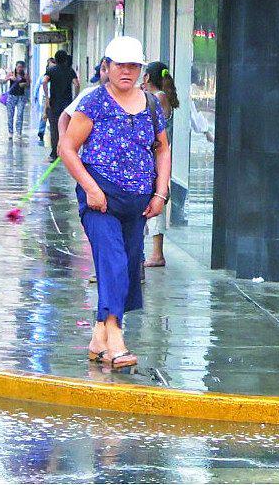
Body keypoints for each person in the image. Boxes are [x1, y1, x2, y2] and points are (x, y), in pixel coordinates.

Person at [58, 36, 171, 369]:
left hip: (138, 201)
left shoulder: (151, 104)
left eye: (133, 65)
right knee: (114, 263)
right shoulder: (93, 102)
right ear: (106, 67)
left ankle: (97, 336)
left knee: (128, 265)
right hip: (100, 199)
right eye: (120, 65)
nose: (127, 71)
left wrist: (160, 192)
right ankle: (116, 339)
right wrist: (91, 188)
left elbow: (162, 148)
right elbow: (68, 148)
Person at [142, 61, 180, 269]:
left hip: (155, 160)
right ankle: (155, 252)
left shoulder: (157, 99)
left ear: (147, 77)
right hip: (157, 158)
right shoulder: (160, 97)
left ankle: (156, 254)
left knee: (154, 202)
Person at [40, 50, 80, 161]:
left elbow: (44, 81)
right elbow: (76, 84)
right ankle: (66, 153)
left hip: (54, 103)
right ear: (65, 59)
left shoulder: (51, 70)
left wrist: (47, 97)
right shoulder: (70, 71)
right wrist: (75, 99)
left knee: (54, 129)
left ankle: (54, 154)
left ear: (56, 59)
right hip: (67, 104)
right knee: (67, 129)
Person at [5, 61, 30, 136]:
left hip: (21, 97)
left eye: (21, 67)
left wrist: (25, 84)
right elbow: (2, 81)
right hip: (11, 96)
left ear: (23, 68)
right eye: (18, 67)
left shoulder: (25, 75)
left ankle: (19, 132)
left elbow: (28, 84)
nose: (19, 68)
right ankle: (10, 132)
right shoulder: (11, 73)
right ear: (15, 66)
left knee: (20, 114)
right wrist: (9, 78)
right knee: (10, 115)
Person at [37, 57, 57, 144]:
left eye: (53, 66)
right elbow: (38, 85)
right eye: (50, 66)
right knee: (44, 115)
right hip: (46, 97)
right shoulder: (44, 76)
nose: (52, 68)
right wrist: (35, 96)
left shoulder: (57, 75)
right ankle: (41, 132)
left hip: (54, 97)